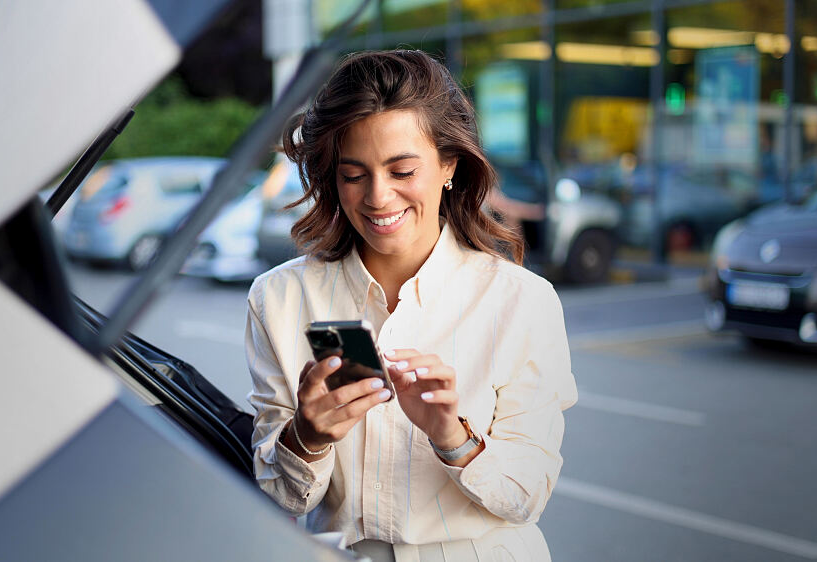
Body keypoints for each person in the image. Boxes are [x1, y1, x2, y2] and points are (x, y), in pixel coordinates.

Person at [245, 50, 577, 561]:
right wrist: (307, 436)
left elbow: (526, 498)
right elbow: (282, 495)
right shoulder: (282, 298)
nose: (378, 197)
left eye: (402, 170)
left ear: (449, 164)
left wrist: (452, 437)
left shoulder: (521, 301)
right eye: (354, 174)